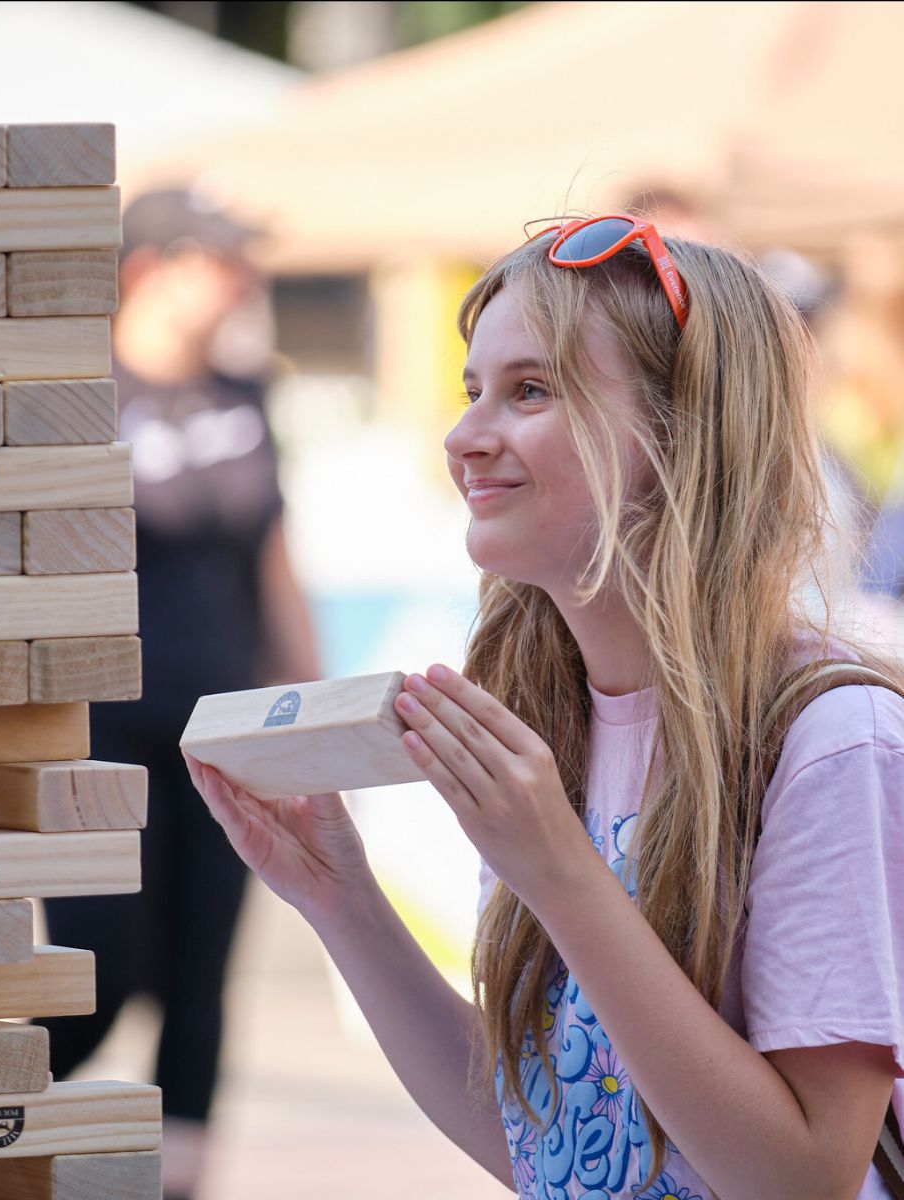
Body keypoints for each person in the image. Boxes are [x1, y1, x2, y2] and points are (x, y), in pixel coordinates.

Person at [185, 214, 904, 1197]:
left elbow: (804, 1179)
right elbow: (546, 1145)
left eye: (529, 390)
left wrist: (561, 874)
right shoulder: (548, 720)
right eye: (470, 390)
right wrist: (340, 901)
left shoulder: (829, 739)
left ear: (681, 432)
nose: (463, 438)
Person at [36, 187, 320, 1200]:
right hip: (100, 735)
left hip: (224, 731)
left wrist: (318, 720)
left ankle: (181, 1181)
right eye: (221, 258)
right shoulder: (74, 393)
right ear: (148, 268)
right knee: (101, 971)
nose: (243, 278)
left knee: (203, 976)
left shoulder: (246, 392)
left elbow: (274, 563)